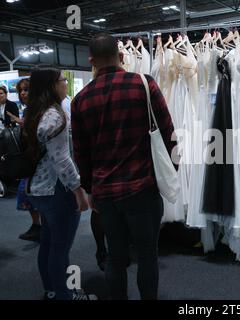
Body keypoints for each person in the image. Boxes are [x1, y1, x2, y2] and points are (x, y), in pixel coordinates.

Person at [71, 33, 177, 300]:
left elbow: (81, 153)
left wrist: (89, 189)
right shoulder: (143, 84)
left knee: (116, 259)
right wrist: (173, 170)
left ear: (91, 62)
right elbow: (169, 133)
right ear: (121, 57)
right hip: (143, 189)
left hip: (106, 193)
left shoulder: (80, 100)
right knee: (147, 257)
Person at [24, 68, 95, 300]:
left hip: (38, 187)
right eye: (62, 80)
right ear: (52, 86)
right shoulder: (54, 115)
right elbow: (61, 159)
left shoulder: (36, 111)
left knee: (49, 242)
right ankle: (64, 295)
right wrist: (78, 190)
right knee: (60, 247)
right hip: (57, 189)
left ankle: (53, 291)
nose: (66, 84)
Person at [11, 79, 42, 242]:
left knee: (31, 193)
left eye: (26, 90)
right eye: (20, 90)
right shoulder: (28, 110)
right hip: (29, 159)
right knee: (27, 193)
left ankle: (42, 227)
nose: (23, 93)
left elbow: (37, 135)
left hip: (38, 161)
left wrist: (23, 124)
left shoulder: (38, 110)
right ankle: (37, 225)